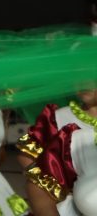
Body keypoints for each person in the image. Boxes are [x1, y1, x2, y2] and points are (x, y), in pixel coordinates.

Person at [18, 86, 97, 215]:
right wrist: (60, 182)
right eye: (79, 77)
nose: (84, 84)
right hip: (70, 206)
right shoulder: (59, 118)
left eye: (92, 78)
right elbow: (26, 156)